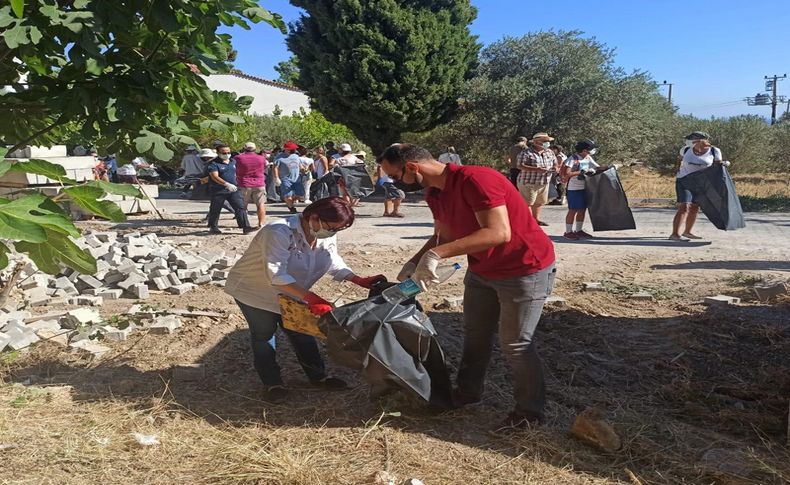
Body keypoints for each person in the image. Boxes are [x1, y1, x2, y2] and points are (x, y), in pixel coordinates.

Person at [379, 143, 556, 430]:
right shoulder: (434, 192)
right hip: (482, 269)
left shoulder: (477, 180)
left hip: (524, 268)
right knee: (476, 334)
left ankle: (530, 412)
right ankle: (467, 392)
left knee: (516, 343)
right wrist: (414, 262)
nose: (395, 182)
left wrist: (435, 256)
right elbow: (444, 234)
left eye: (396, 176)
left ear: (412, 167)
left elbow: (498, 232)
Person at [225, 196, 386, 401]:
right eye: (331, 227)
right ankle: (273, 384)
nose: (332, 232)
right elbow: (276, 275)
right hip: (256, 291)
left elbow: (332, 260)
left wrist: (357, 279)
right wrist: (312, 298)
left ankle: (318, 377)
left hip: (294, 291)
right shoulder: (279, 232)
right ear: (314, 217)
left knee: (301, 332)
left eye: (337, 230)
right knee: (264, 335)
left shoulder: (325, 232)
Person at [670, 132, 724, 241]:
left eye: (692, 138)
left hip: (701, 183)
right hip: (684, 181)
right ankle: (674, 234)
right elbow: (679, 159)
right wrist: (677, 169)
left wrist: (723, 165)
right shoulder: (685, 150)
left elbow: (717, 166)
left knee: (695, 208)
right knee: (684, 206)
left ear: (702, 140)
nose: (689, 141)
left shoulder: (714, 151)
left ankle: (688, 232)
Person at [560, 140, 606, 240]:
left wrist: (610, 167)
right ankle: (568, 231)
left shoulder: (588, 157)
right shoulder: (573, 159)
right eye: (592, 149)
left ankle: (579, 230)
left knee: (582, 209)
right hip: (574, 188)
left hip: (585, 187)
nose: (594, 150)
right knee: (573, 210)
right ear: (585, 150)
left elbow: (597, 167)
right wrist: (581, 172)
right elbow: (567, 174)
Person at [206, 144, 255, 235]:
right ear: (218, 152)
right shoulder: (213, 163)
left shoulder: (233, 161)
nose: (227, 154)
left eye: (228, 152)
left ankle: (245, 227)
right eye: (224, 152)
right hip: (218, 190)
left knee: (240, 207)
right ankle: (213, 227)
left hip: (234, 189)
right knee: (215, 209)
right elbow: (214, 176)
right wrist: (226, 184)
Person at [516, 133, 557, 227]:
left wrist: (555, 168)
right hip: (529, 182)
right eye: (544, 141)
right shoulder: (526, 152)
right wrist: (537, 169)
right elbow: (520, 165)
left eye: (547, 141)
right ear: (535, 142)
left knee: (539, 202)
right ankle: (528, 222)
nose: (547, 143)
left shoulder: (549, 152)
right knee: (527, 203)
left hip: (544, 182)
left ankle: (536, 220)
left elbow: (555, 163)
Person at [235, 141, 268, 229]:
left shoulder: (238, 158)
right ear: (255, 149)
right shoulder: (261, 158)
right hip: (259, 183)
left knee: (243, 205)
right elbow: (264, 167)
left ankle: (244, 224)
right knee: (260, 204)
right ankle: (261, 223)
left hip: (244, 183)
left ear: (244, 148)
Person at [274, 141, 304, 214]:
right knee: (288, 196)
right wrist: (276, 178)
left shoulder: (296, 156)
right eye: (292, 149)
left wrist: (303, 169)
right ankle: (292, 208)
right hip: (285, 179)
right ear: (286, 149)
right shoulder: (279, 157)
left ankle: (289, 202)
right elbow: (275, 168)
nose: (294, 150)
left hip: (297, 178)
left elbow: (300, 165)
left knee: (301, 194)